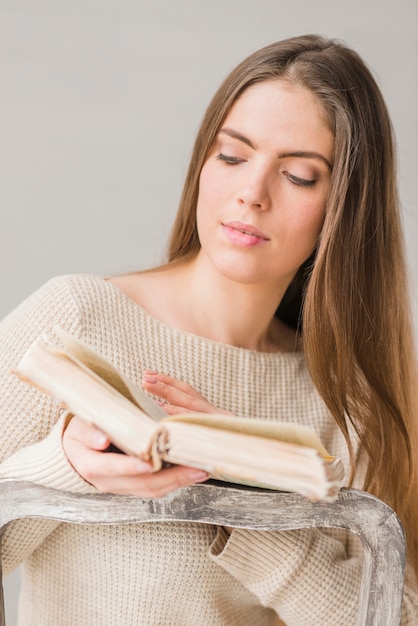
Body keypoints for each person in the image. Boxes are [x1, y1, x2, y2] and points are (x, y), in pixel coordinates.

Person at [0, 33, 417, 625]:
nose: (252, 193)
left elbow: (396, 616)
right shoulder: (76, 319)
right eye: (232, 155)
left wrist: (249, 507)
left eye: (298, 175)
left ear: (342, 210)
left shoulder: (349, 401)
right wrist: (61, 469)